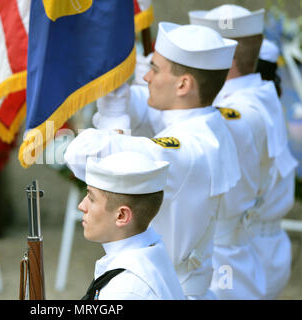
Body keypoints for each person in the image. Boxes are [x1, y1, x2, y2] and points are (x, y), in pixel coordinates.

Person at [65, 22, 241, 299]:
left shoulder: (189, 148)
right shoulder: (206, 120)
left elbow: (80, 154)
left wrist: (114, 117)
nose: (146, 77)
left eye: (155, 69)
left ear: (183, 84)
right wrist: (116, 82)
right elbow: (144, 105)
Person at [189, 4, 298, 299]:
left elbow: (194, 128)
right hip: (265, 242)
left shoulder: (237, 110)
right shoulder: (263, 95)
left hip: (240, 248)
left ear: (227, 59)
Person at [73, 151, 184, 300]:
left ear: (121, 216)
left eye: (91, 199)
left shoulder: (125, 291)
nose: (81, 205)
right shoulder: (150, 251)